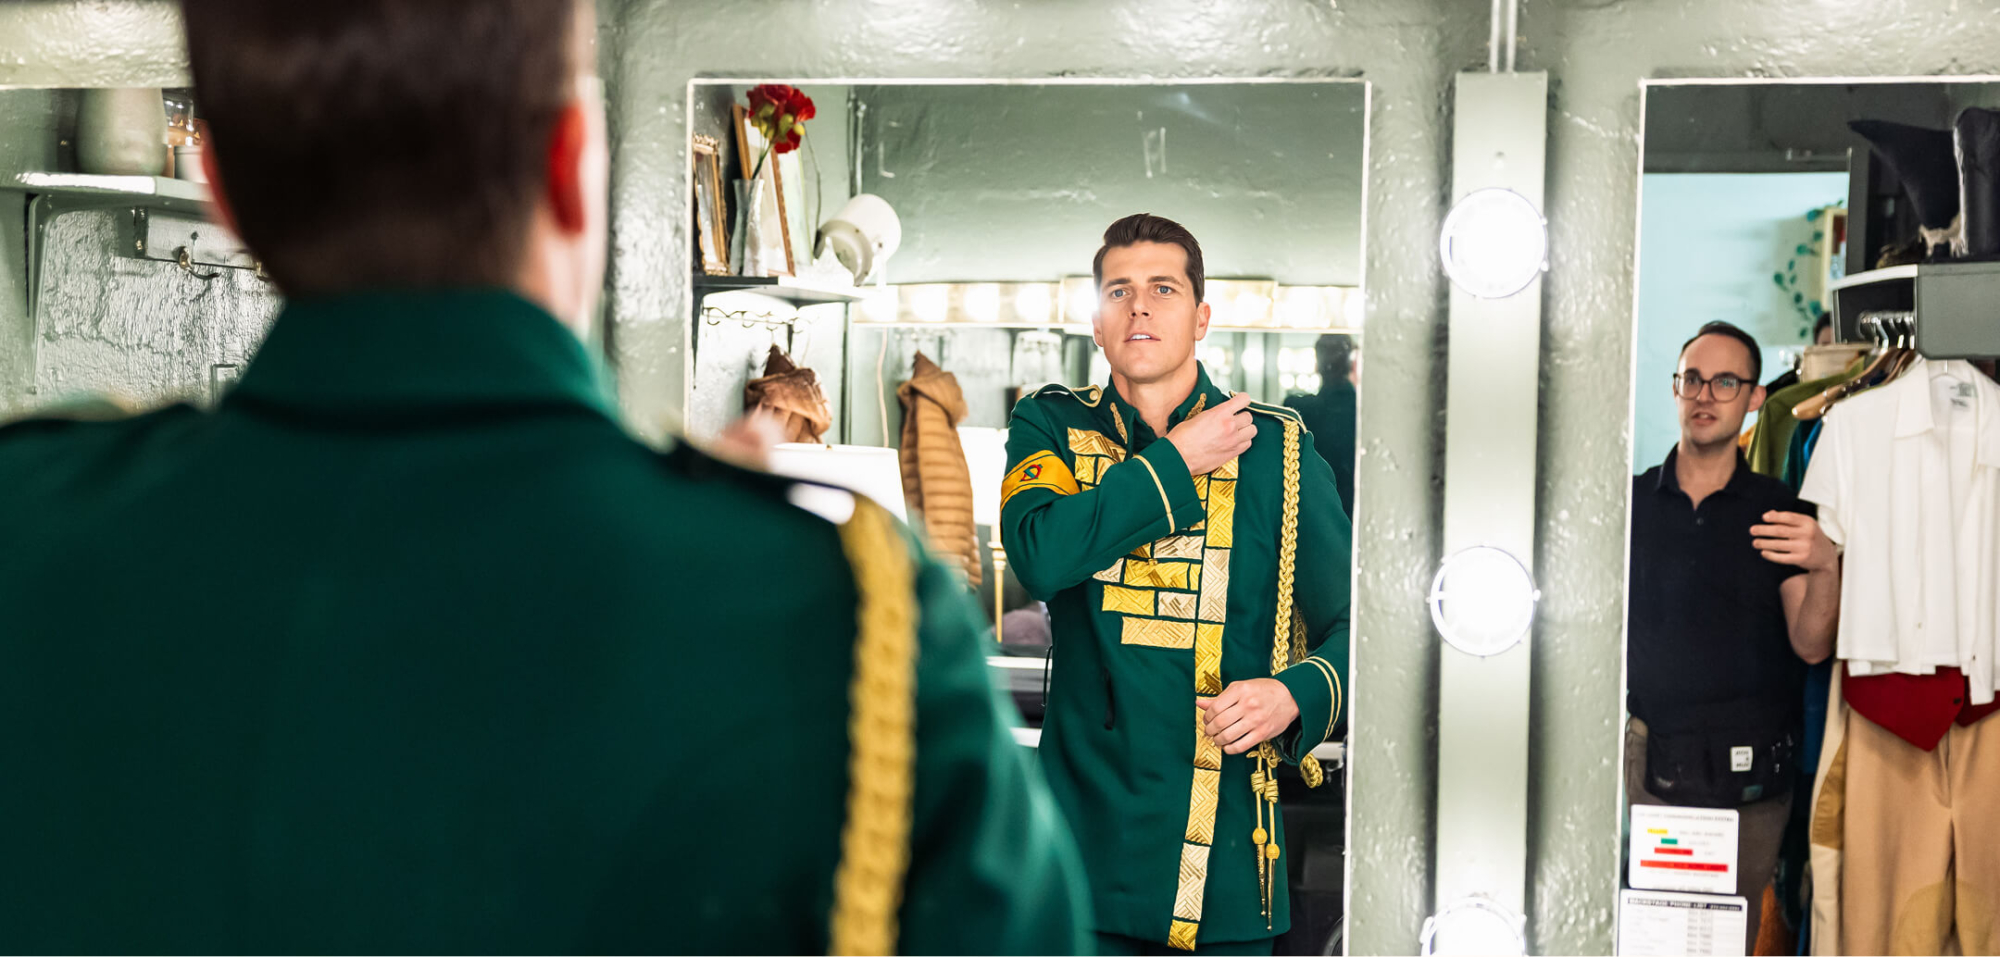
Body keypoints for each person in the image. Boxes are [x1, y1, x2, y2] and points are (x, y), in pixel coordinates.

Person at [0, 2, 1089, 952]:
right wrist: (736, 564)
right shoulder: (845, 621)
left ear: (225, 187)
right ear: (570, 165)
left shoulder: (30, 532)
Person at [1001, 213, 1352, 955]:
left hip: (1223, 867)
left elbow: (1365, 629)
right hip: (1078, 854)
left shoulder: (1277, 450)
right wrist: (1178, 459)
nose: (1139, 308)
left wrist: (1293, 692)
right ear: (1096, 324)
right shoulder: (1049, 424)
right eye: (1118, 291)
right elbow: (1040, 555)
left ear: (1201, 318)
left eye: (1163, 288)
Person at [1625, 320, 1841, 951]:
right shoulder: (1632, 504)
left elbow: (1810, 643)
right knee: (1656, 939)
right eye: (1692, 379)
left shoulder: (1778, 510)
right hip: (1654, 762)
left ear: (1753, 397)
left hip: (1752, 774)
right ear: (1675, 388)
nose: (1704, 395)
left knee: (1727, 939)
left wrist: (1826, 566)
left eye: (1725, 382)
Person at [1283, 334, 1358, 517]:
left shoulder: (1296, 410)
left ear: (1317, 366)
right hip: (1358, 515)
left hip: (1308, 516)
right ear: (1352, 365)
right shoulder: (1367, 412)